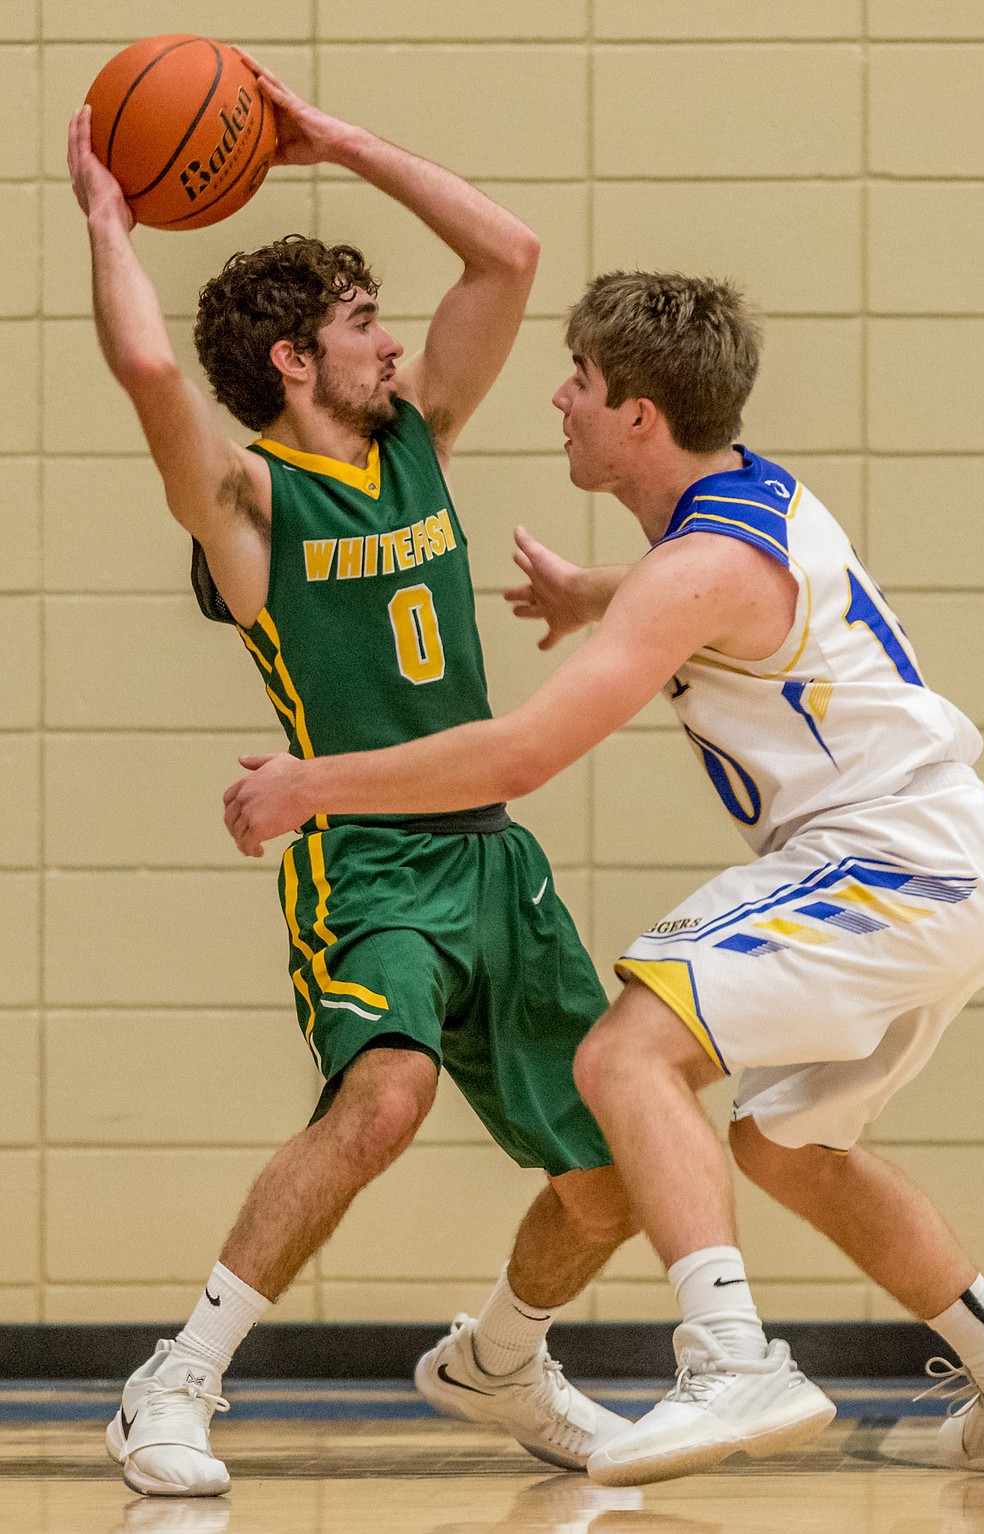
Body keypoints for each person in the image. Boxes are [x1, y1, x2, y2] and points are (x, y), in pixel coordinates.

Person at [223, 269, 984, 1488]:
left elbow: (526, 754)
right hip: (957, 863)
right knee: (783, 1146)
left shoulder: (693, 568)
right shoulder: (740, 504)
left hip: (892, 857)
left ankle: (730, 1356)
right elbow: (696, 603)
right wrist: (595, 596)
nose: (560, 398)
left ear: (639, 416)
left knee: (623, 1054)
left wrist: (312, 785)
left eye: (584, 385)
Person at [67, 62, 640, 1500]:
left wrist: (328, 139)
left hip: (491, 854)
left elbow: (505, 253)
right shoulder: (252, 505)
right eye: (360, 324)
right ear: (291, 364)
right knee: (382, 1099)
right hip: (369, 859)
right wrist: (107, 226)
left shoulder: (414, 446)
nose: (390, 345)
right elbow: (146, 373)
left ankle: (503, 1356)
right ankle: (178, 1377)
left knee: (619, 1166)